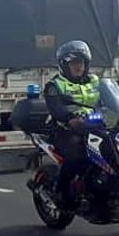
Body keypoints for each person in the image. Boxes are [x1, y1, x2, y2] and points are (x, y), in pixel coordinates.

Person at [43, 40, 101, 209]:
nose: (79, 67)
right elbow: (56, 109)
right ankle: (62, 191)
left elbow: (110, 99)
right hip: (64, 129)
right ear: (64, 65)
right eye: (74, 63)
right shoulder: (54, 86)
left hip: (93, 126)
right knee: (77, 153)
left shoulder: (96, 81)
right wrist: (70, 118)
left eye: (81, 63)